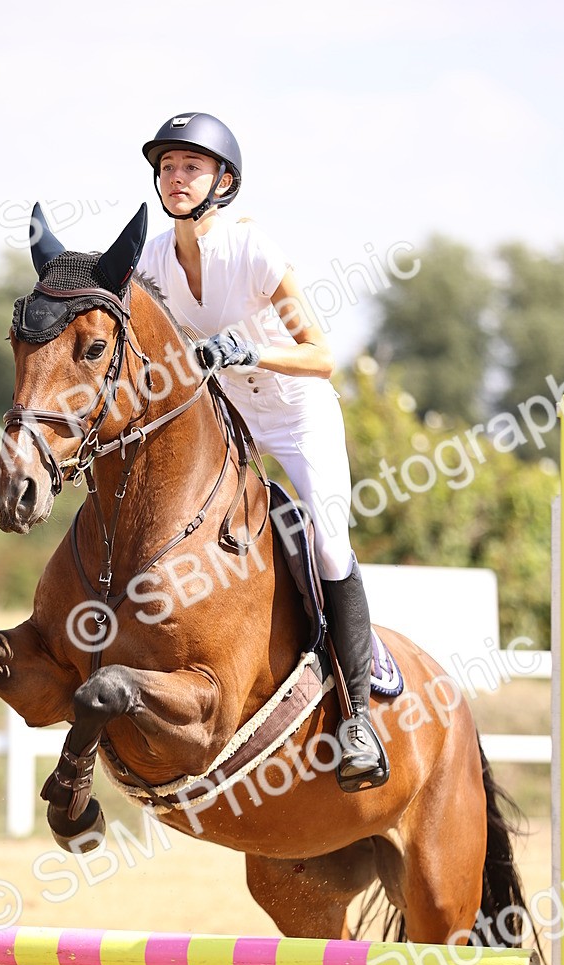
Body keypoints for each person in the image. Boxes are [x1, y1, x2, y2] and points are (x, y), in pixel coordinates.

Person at [138, 111, 388, 792]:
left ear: (223, 180)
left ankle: (359, 717)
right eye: (167, 167)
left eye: (190, 167)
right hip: (234, 420)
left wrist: (249, 349)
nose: (176, 177)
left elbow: (324, 354)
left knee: (329, 542)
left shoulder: (255, 252)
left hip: (297, 417)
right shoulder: (154, 258)